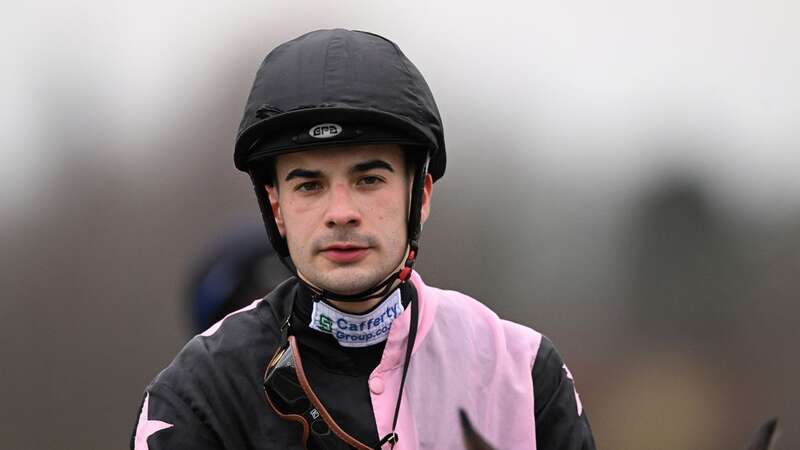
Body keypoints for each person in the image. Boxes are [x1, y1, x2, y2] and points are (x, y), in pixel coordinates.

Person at [131, 29, 596, 450]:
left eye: (369, 179)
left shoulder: (524, 373)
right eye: (309, 186)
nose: (341, 213)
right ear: (277, 208)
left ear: (422, 195)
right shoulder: (197, 395)